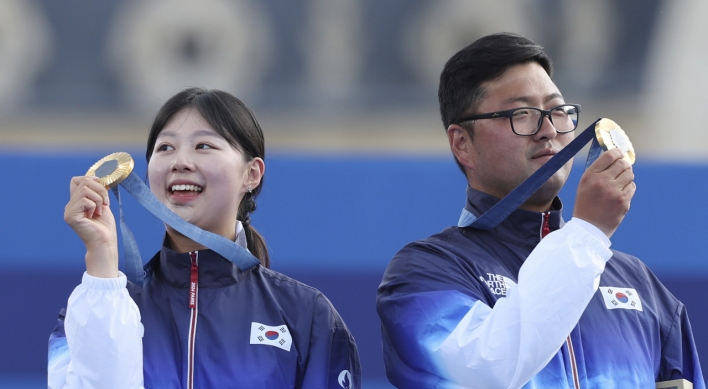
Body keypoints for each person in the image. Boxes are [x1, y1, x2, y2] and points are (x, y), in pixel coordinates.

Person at [376, 33, 704, 388]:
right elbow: (487, 373)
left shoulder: (638, 284)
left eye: (558, 111)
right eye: (523, 114)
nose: (548, 130)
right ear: (462, 143)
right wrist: (588, 233)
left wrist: (586, 240)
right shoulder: (426, 275)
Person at [48, 88, 361, 389]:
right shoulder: (93, 309)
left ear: (251, 174)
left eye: (204, 146)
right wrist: (101, 259)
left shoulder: (307, 317)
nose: (179, 162)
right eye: (165, 148)